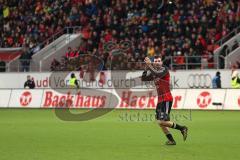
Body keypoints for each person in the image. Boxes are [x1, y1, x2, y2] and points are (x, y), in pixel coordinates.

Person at [141, 56, 188, 145]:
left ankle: (182, 128)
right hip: (160, 101)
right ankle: (171, 140)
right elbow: (143, 78)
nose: (157, 62)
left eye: (159, 61)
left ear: (161, 63)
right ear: (154, 63)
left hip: (166, 99)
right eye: (155, 61)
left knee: (163, 121)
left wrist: (149, 65)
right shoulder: (153, 72)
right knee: (160, 122)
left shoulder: (164, 69)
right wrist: (146, 68)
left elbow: (157, 74)